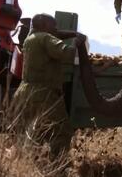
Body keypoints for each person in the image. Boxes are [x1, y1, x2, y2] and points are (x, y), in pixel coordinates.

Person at [12, 14, 86, 158]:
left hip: (25, 92)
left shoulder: (29, 39)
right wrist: (76, 42)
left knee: (33, 132)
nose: (56, 28)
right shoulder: (46, 38)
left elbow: (55, 35)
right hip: (44, 94)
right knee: (62, 131)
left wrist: (72, 33)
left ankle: (28, 163)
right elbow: (67, 53)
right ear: (45, 25)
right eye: (54, 25)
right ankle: (57, 164)